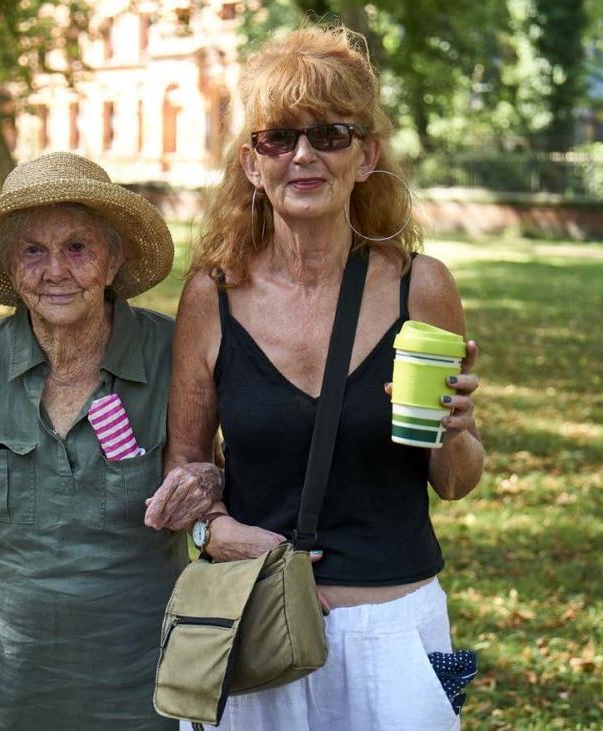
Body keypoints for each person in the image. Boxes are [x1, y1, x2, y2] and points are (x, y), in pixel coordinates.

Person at [148, 25, 484, 730]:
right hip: (253, 626)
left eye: (330, 134)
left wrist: (454, 432)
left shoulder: (420, 288)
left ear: (367, 158)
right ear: (250, 163)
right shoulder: (213, 295)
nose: (302, 155)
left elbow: (454, 479)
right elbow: (184, 459)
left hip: (392, 634)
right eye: (279, 137)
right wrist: (218, 529)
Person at [0, 152, 221, 730]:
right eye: (32, 250)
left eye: (77, 247)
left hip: (145, 679)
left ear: (114, 259)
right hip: (15, 679)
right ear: (11, 268)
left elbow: (215, 476)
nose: (55, 269)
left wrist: (206, 482)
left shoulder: (171, 349)